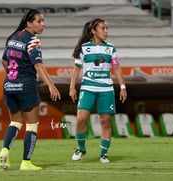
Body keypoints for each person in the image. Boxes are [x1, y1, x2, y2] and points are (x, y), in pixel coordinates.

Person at [0, 9, 61, 171]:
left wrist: (14, 76)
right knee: (32, 125)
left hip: (9, 85)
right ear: (29, 23)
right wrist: (51, 85)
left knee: (15, 122)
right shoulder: (33, 41)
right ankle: (26, 162)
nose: (43, 25)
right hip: (26, 86)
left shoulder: (13, 38)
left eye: (43, 21)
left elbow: (4, 61)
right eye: (39, 21)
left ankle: (5, 150)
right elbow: (38, 66)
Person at [69, 18, 127, 163]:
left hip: (106, 89)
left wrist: (123, 87)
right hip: (87, 88)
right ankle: (81, 148)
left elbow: (117, 68)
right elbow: (76, 69)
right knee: (81, 118)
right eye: (103, 28)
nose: (106, 31)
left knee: (105, 121)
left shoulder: (111, 48)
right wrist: (72, 87)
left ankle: (103, 154)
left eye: (107, 28)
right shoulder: (83, 48)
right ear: (93, 31)